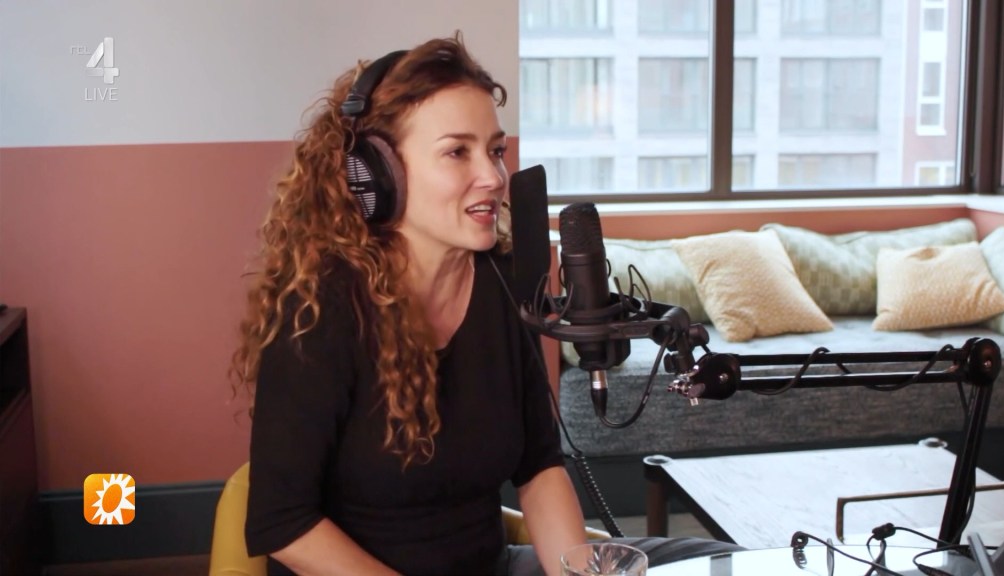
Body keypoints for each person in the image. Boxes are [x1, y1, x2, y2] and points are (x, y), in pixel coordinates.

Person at [231, 32, 743, 575]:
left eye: (495, 151)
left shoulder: (504, 281)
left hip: (488, 565)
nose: (494, 177)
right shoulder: (320, 309)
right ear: (376, 174)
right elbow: (281, 521)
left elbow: (539, 468)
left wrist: (579, 573)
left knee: (721, 562)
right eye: (457, 152)